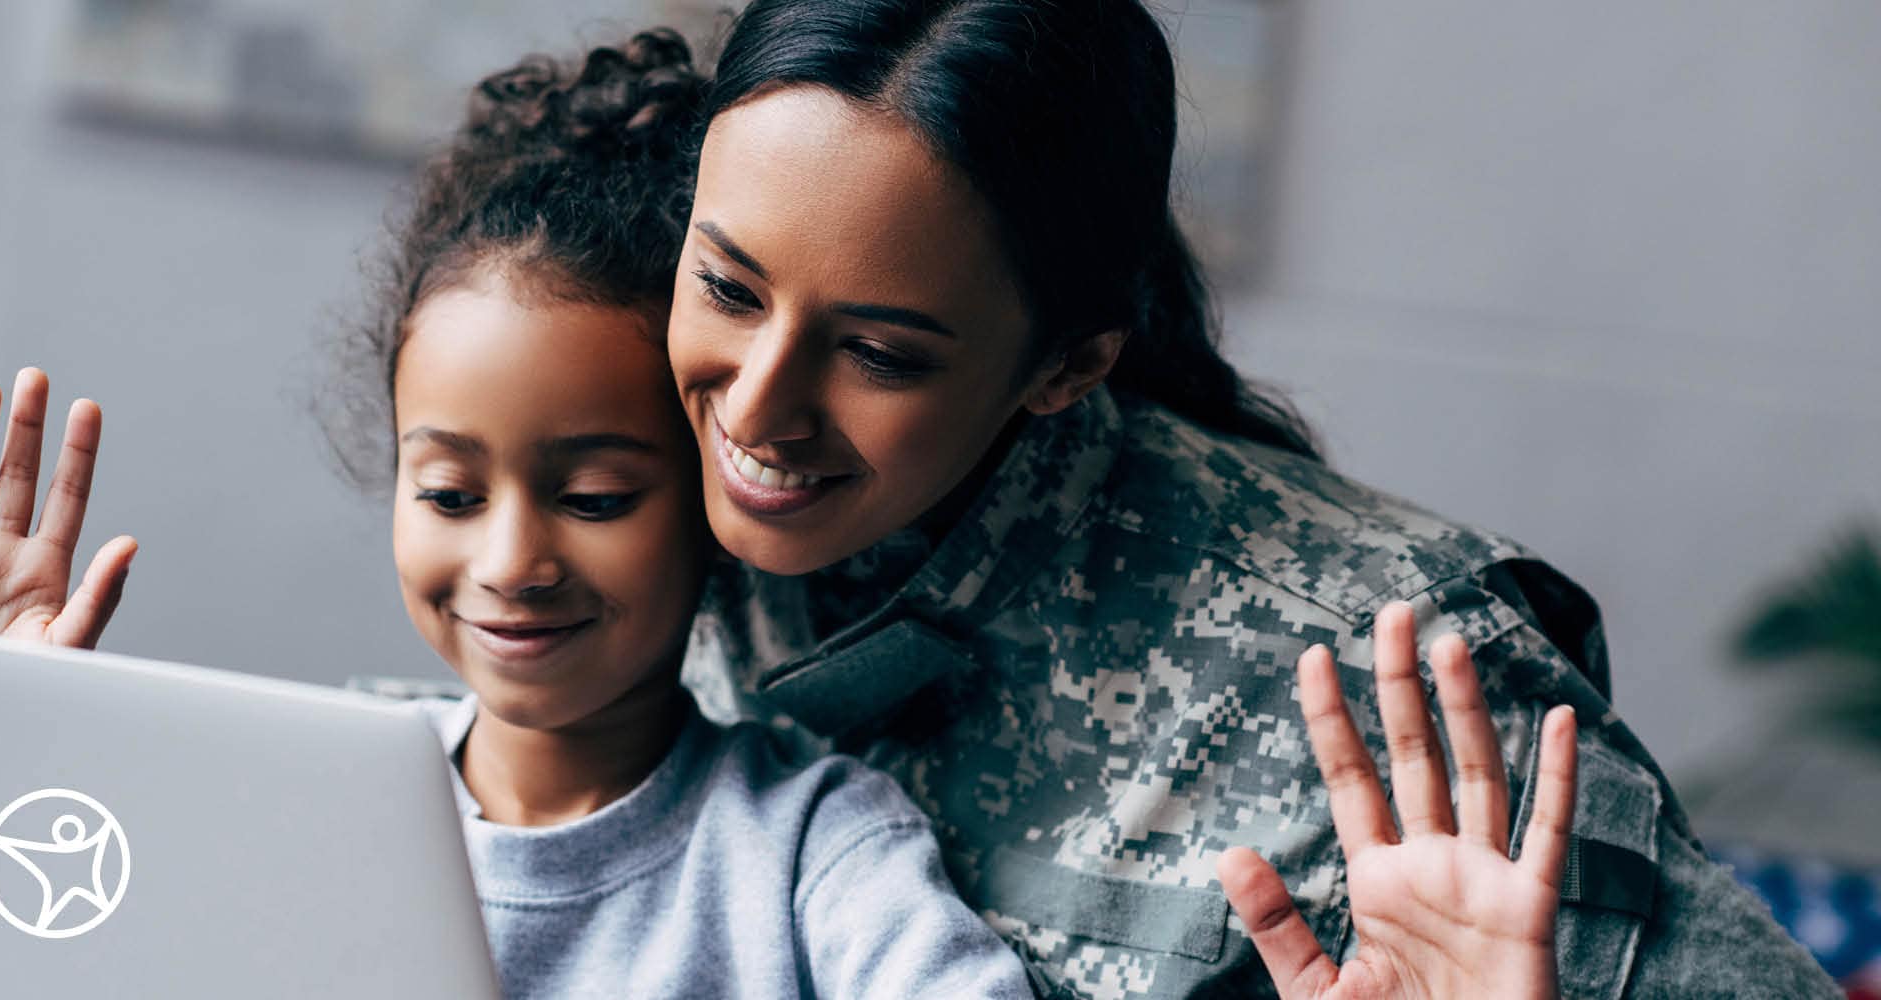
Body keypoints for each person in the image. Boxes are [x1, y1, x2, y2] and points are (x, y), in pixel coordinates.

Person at [665, 0, 1840, 997]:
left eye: (879, 353)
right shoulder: (592, 485)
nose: (758, 409)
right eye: (724, 285)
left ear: (1065, 366)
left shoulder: (1396, 681)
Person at [0, 32, 1038, 999]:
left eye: (595, 498)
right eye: (451, 494)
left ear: (714, 489)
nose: (510, 561)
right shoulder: (298, 794)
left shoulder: (811, 850)